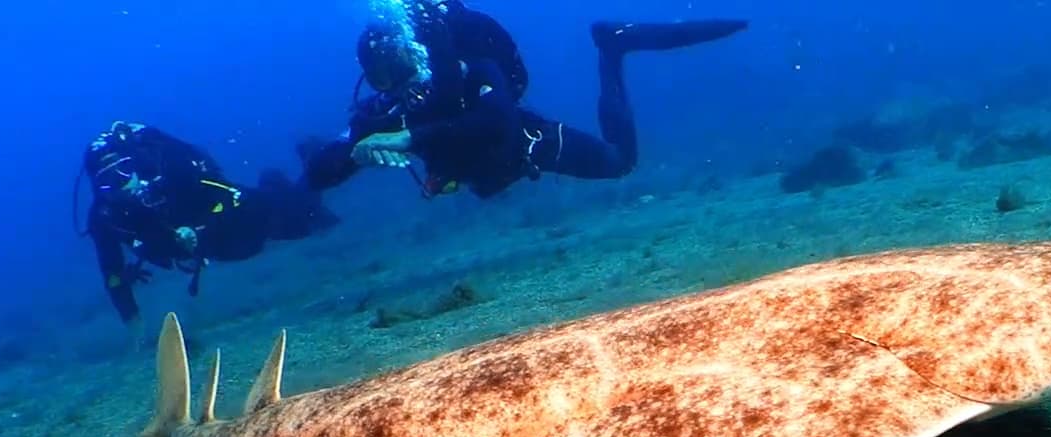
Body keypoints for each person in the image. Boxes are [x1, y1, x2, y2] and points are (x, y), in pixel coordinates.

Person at [299, 0, 746, 200]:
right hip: (486, 168)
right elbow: (317, 176)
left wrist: (408, 138)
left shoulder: (467, 66)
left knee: (619, 162)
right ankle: (612, 46)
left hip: (524, 143)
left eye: (398, 64)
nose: (395, 82)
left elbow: (497, 121)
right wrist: (354, 155)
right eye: (381, 76)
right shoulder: (388, 110)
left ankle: (611, 47)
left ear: (415, 49)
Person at [80, 120, 338, 326]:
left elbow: (227, 194)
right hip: (221, 249)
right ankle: (275, 182)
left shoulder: (174, 175)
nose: (120, 183)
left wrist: (200, 230)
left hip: (249, 219)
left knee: (307, 216)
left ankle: (308, 157)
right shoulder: (104, 217)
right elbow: (111, 271)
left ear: (136, 165)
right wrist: (131, 318)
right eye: (107, 179)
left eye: (124, 170)